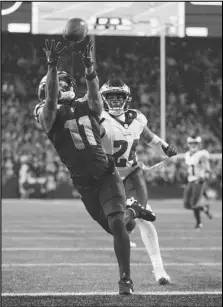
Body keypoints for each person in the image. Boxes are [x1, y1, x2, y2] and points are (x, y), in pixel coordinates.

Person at [34, 39, 156, 295]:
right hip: (84, 182)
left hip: (106, 173)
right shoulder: (45, 114)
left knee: (117, 226)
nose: (47, 94)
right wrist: (52, 66)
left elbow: (95, 98)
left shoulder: (85, 105)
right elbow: (51, 102)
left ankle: (125, 280)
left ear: (66, 87)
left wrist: (89, 68)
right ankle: (133, 211)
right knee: (121, 225)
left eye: (50, 88)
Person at [100, 78, 178, 285]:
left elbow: (151, 140)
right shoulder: (97, 118)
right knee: (119, 220)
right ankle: (131, 218)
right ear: (103, 100)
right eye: (111, 97)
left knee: (144, 220)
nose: (115, 101)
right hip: (109, 176)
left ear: (127, 99)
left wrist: (166, 148)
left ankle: (159, 270)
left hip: (132, 173)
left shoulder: (136, 119)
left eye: (119, 97)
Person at [184, 135, 212, 229]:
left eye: (195, 143)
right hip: (190, 180)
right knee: (186, 204)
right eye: (191, 143)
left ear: (199, 144)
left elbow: (207, 167)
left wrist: (205, 175)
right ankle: (204, 208)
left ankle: (199, 223)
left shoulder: (202, 154)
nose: (193, 145)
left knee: (194, 203)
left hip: (198, 180)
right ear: (188, 144)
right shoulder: (187, 154)